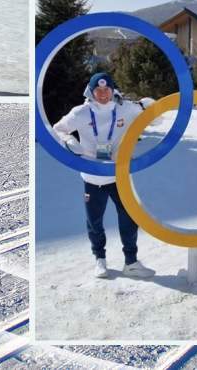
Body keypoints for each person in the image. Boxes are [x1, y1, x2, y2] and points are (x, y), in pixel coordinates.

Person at [52, 72, 157, 279]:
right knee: (94, 221)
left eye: (106, 90)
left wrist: (149, 107)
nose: (102, 94)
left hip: (118, 176)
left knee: (129, 217)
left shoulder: (125, 108)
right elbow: (57, 129)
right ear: (91, 91)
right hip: (92, 177)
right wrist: (68, 141)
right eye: (98, 90)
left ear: (112, 89)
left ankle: (131, 262)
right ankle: (99, 259)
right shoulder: (81, 112)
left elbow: (155, 119)